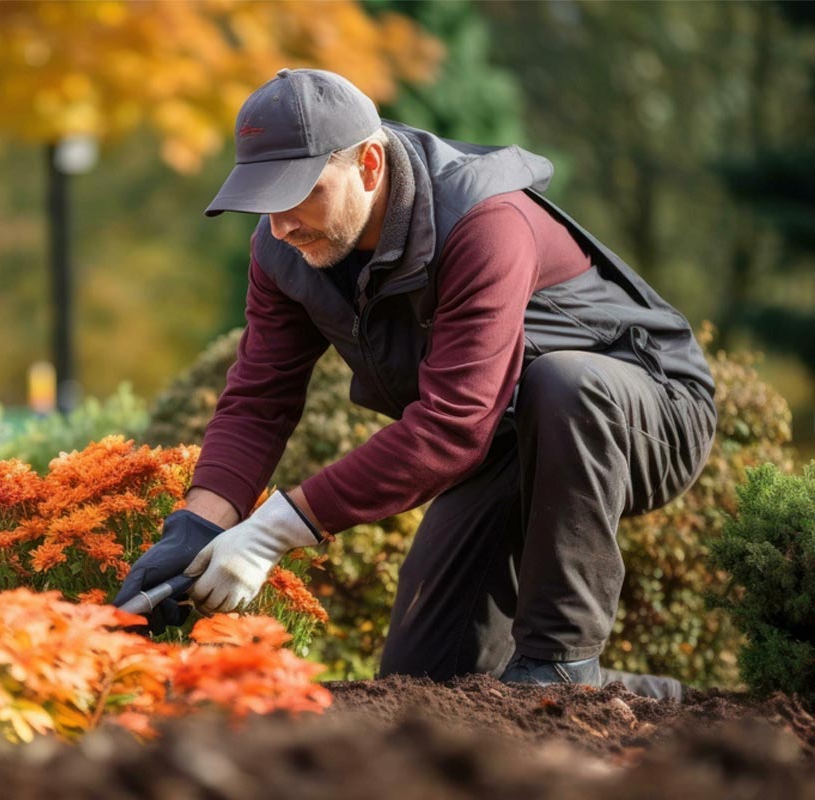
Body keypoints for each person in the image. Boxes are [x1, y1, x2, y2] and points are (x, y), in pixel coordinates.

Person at [113, 68, 716, 699]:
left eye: (299, 192)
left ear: (370, 164)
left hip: (642, 411)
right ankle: (646, 699)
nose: (281, 223)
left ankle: (562, 661)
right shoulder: (282, 249)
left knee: (564, 382)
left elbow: (453, 424)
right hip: (503, 432)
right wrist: (197, 528)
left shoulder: (483, 220)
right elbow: (259, 399)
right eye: (264, 198)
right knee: (426, 682)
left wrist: (270, 533)